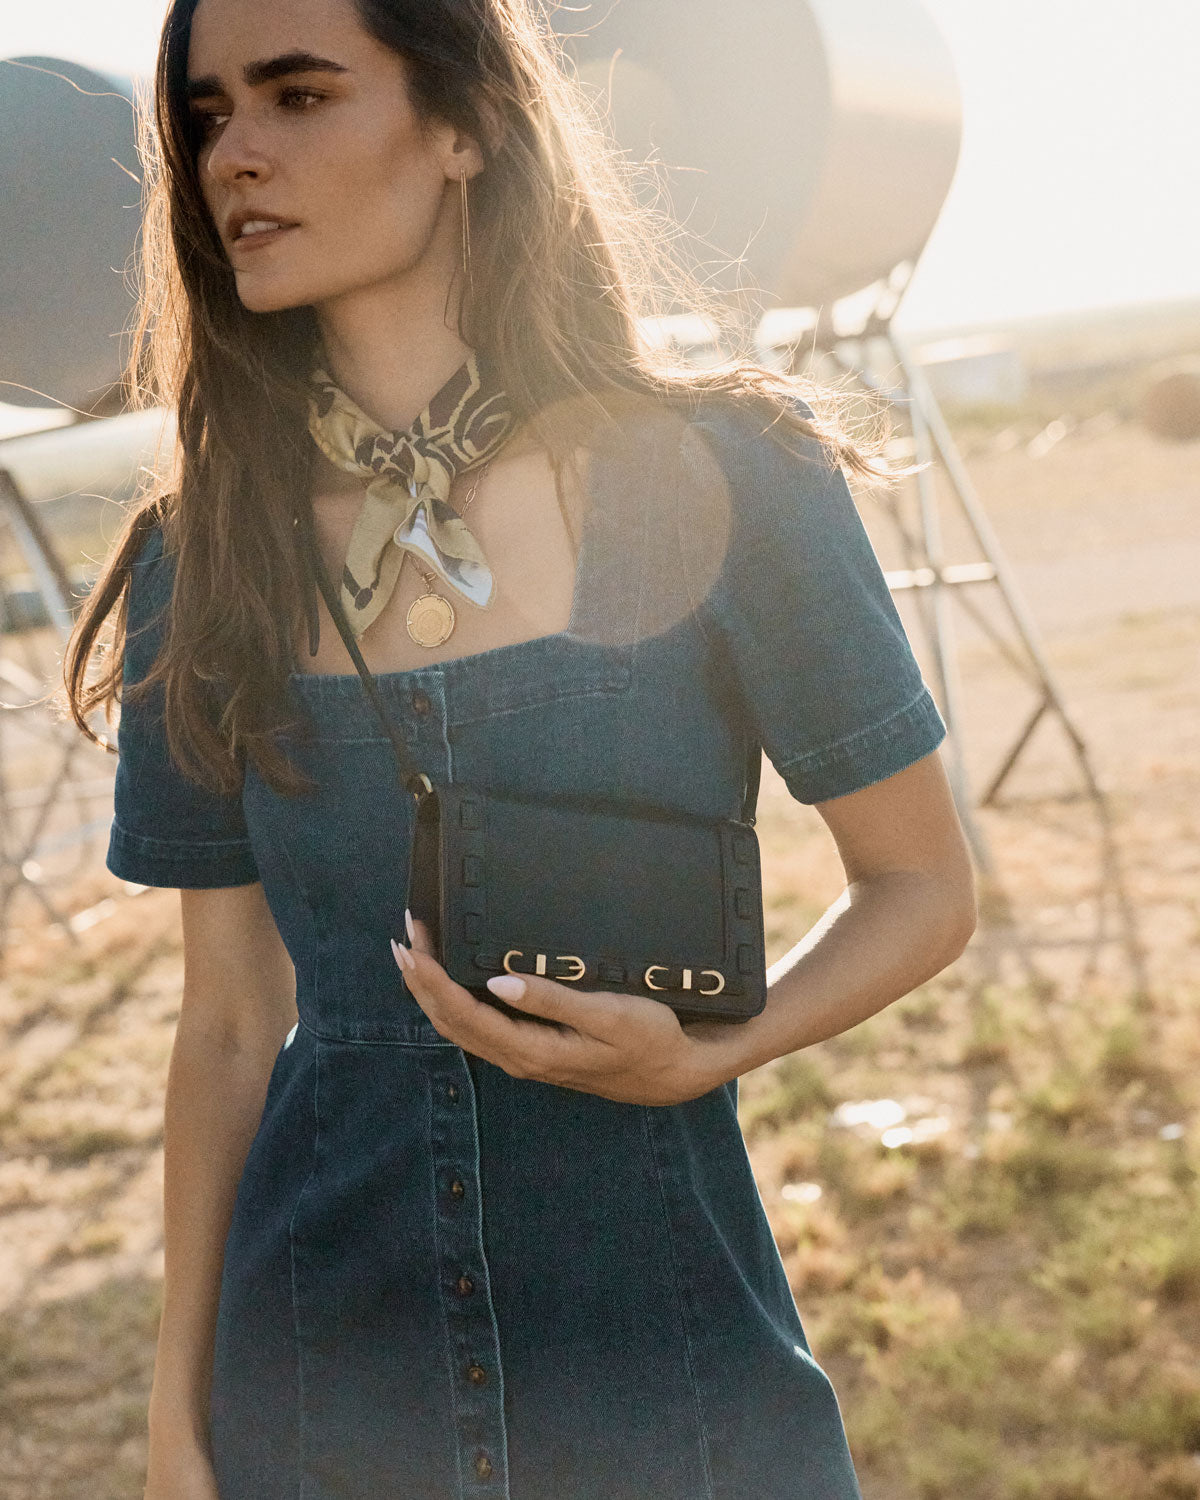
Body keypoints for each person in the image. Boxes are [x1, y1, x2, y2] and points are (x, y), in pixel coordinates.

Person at [64, 0, 977, 1496]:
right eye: (209, 115)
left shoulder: (733, 479)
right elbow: (230, 1024)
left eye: (298, 94)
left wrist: (716, 1051)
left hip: (669, 1363)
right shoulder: (202, 555)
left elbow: (924, 888)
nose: (236, 155)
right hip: (316, 1380)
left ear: (464, 125)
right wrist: (177, 1422)